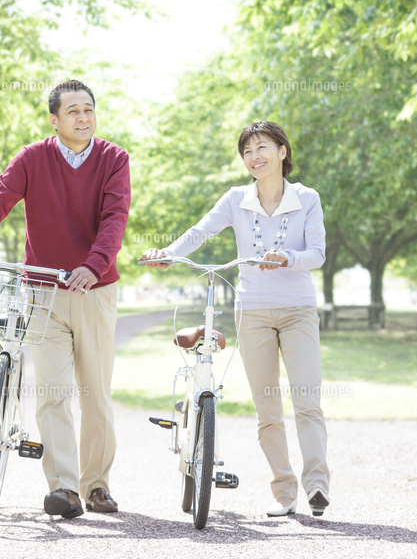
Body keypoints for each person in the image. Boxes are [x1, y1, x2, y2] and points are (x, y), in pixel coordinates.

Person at [0, 79, 130, 519]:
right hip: (43, 291)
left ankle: (97, 484)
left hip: (95, 290)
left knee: (95, 394)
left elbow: (114, 216)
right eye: (73, 111)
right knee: (52, 392)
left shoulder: (112, 159)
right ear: (54, 119)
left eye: (89, 109)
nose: (83, 117)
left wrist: (94, 263)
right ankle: (64, 488)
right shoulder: (32, 158)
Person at [140, 121, 330, 517]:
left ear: (282, 151)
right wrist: (169, 253)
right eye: (247, 151)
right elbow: (200, 232)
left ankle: (316, 486)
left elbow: (317, 254)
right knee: (267, 408)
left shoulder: (306, 198)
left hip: (297, 309)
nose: (254, 156)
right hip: (253, 311)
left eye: (262, 147)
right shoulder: (236, 199)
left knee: (307, 402)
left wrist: (288, 258)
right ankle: (284, 492)